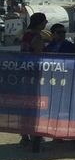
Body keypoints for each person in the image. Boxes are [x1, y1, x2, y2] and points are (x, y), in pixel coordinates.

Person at [19, 12, 46, 152]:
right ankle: (35, 136)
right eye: (44, 22)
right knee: (34, 106)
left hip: (24, 73)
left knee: (25, 105)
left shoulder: (25, 35)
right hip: (34, 75)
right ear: (40, 23)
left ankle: (25, 135)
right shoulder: (37, 37)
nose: (46, 24)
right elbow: (38, 56)